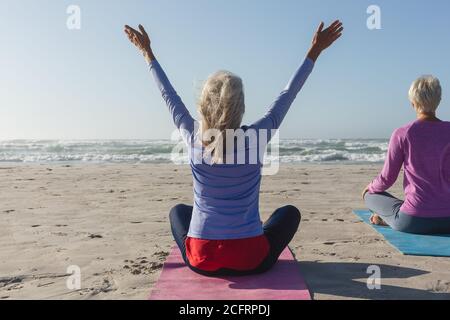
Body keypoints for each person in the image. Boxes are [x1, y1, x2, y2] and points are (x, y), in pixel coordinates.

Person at [125, 20, 343, 276]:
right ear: (240, 107)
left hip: (201, 260)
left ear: (203, 104)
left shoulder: (192, 134)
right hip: (251, 259)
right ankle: (245, 231)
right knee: (289, 213)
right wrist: (314, 51)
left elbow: (168, 95)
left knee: (178, 212)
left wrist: (147, 53)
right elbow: (288, 94)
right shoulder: (258, 135)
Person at [363, 75, 450, 234]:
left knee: (370, 196)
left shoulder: (403, 133)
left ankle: (385, 217)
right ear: (439, 100)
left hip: (414, 221)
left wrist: (370, 187)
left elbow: (387, 179)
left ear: (413, 103)